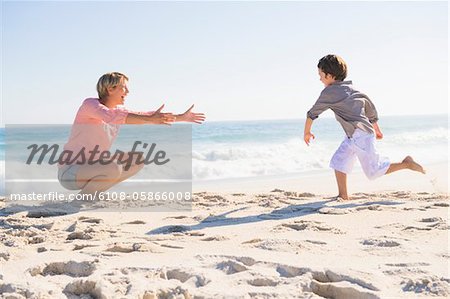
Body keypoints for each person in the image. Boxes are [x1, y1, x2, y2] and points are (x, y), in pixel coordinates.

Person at [58, 72, 205, 196]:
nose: (127, 92)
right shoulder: (90, 105)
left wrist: (182, 117)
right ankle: (83, 200)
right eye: (123, 88)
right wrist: (149, 118)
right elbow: (109, 116)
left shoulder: (119, 111)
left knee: (136, 159)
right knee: (113, 167)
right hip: (70, 172)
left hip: (94, 167)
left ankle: (92, 193)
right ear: (110, 89)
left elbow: (147, 116)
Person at [303, 54, 425, 200]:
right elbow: (369, 107)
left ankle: (406, 163)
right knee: (338, 161)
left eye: (321, 75)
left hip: (360, 135)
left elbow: (312, 113)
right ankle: (343, 195)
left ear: (330, 75)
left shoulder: (329, 92)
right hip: (356, 134)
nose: (320, 78)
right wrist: (376, 128)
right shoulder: (351, 88)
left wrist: (307, 132)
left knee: (373, 171)